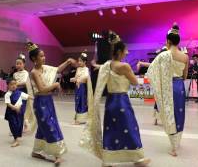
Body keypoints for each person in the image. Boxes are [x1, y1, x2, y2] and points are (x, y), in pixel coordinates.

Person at [80, 38, 150, 166]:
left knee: (111, 130)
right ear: (119, 51)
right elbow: (134, 82)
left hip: (110, 102)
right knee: (130, 127)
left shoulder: (108, 65)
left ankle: (108, 160)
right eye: (125, 50)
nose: (127, 53)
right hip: (121, 102)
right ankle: (138, 158)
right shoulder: (124, 66)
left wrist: (96, 65)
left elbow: (103, 67)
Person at [27, 41, 75, 165]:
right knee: (49, 125)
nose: (44, 58)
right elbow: (42, 89)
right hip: (40, 102)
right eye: (41, 56)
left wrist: (68, 61)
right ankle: (56, 154)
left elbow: (57, 69)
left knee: (43, 128)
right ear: (34, 58)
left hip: (48, 100)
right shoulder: (34, 72)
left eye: (44, 55)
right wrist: (55, 84)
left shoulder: (45, 68)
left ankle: (36, 151)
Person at [147, 26, 189, 157]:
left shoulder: (164, 55)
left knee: (170, 114)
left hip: (168, 87)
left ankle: (173, 148)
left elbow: (152, 70)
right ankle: (178, 142)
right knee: (179, 113)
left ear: (168, 41)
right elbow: (185, 76)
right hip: (179, 86)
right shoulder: (185, 57)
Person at [137, 23, 180, 126]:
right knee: (163, 100)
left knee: (166, 100)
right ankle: (161, 119)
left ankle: (163, 119)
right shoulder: (172, 52)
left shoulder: (169, 52)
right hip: (169, 81)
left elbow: (154, 65)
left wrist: (142, 63)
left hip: (168, 80)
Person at [4, 79, 32, 147]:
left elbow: (28, 96)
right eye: (11, 84)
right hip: (11, 113)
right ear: (8, 86)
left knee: (19, 125)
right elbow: (8, 103)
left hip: (19, 113)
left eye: (15, 84)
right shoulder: (7, 94)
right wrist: (14, 107)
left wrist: (36, 98)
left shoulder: (20, 93)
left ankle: (16, 138)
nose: (13, 86)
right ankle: (16, 139)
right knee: (13, 125)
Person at [70, 52, 92, 125]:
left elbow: (86, 77)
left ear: (84, 62)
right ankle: (78, 118)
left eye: (80, 61)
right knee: (77, 101)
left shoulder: (86, 69)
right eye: (78, 61)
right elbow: (76, 77)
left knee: (82, 101)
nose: (79, 62)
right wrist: (74, 79)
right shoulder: (78, 69)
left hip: (82, 87)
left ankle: (81, 119)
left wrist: (78, 79)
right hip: (77, 87)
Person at [13, 54, 31, 132]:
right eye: (17, 63)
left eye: (20, 63)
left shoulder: (26, 73)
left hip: (23, 92)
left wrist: (15, 84)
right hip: (15, 93)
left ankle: (19, 128)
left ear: (24, 64)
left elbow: (24, 82)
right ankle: (25, 123)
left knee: (20, 109)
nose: (18, 65)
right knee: (15, 110)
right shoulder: (14, 74)